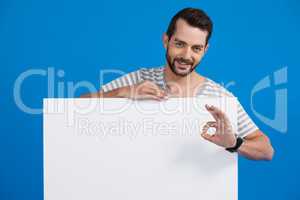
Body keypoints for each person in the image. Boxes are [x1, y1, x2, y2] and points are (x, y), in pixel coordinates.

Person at [81, 8, 274, 161]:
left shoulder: (220, 97)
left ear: (205, 50)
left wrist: (234, 142)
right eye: (180, 44)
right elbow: (77, 104)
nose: (186, 56)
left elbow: (266, 151)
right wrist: (123, 92)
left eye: (196, 48)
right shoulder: (138, 80)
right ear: (166, 40)